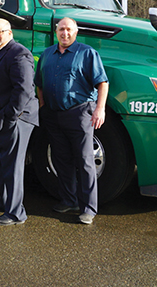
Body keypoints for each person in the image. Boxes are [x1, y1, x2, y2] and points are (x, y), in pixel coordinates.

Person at [35, 17, 108, 225]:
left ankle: (89, 209)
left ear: (75, 33)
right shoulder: (47, 55)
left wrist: (99, 109)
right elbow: (39, 84)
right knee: (61, 160)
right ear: (55, 32)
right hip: (53, 114)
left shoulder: (87, 53)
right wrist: (42, 106)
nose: (64, 33)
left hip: (80, 113)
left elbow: (102, 83)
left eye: (68, 30)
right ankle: (69, 200)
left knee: (85, 162)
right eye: (61, 29)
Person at [0, 18, 38, 226]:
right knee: (2, 164)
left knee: (13, 167)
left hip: (15, 121)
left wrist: (10, 117)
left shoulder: (18, 53)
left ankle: (15, 214)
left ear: (10, 33)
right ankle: (3, 202)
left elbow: (24, 90)